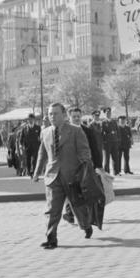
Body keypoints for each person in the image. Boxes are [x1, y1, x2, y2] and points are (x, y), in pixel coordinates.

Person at [32, 103, 93, 248]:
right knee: (52, 209)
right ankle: (51, 238)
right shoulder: (45, 132)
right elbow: (42, 153)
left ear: (64, 115)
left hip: (73, 177)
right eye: (50, 114)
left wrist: (85, 170)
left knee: (78, 207)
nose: (52, 116)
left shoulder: (75, 131)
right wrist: (37, 172)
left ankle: (86, 225)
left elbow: (84, 151)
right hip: (53, 177)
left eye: (56, 113)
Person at [20, 113, 42, 177]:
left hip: (35, 147)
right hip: (27, 147)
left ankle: (34, 171)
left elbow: (41, 137)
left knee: (34, 160)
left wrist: (40, 145)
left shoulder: (38, 127)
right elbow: (21, 138)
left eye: (31, 119)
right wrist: (21, 145)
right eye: (29, 119)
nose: (30, 120)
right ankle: (29, 172)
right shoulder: (24, 128)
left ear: (34, 119)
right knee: (28, 160)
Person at [101, 107, 121, 175]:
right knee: (107, 158)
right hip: (107, 142)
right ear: (105, 114)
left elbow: (117, 131)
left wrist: (118, 140)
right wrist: (104, 141)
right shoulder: (103, 122)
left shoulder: (114, 121)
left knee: (115, 157)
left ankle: (116, 172)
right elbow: (102, 133)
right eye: (107, 113)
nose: (108, 114)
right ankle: (107, 172)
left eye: (109, 113)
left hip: (114, 141)